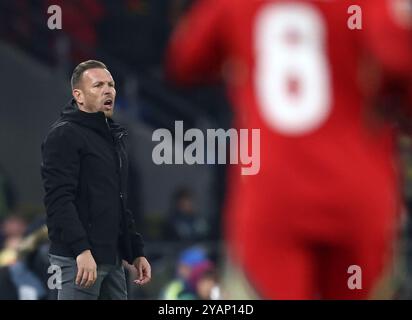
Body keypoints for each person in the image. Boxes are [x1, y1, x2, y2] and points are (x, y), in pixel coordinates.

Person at [165, 0, 412, 299]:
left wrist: (242, 52)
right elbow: (399, 64)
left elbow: (186, 58)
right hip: (356, 192)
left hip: (273, 194)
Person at [41, 60, 151, 300]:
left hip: (111, 259)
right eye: (98, 85)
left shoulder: (113, 138)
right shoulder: (64, 135)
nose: (108, 90)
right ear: (78, 96)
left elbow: (119, 202)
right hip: (78, 260)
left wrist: (135, 251)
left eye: (111, 84)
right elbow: (59, 201)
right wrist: (81, 250)